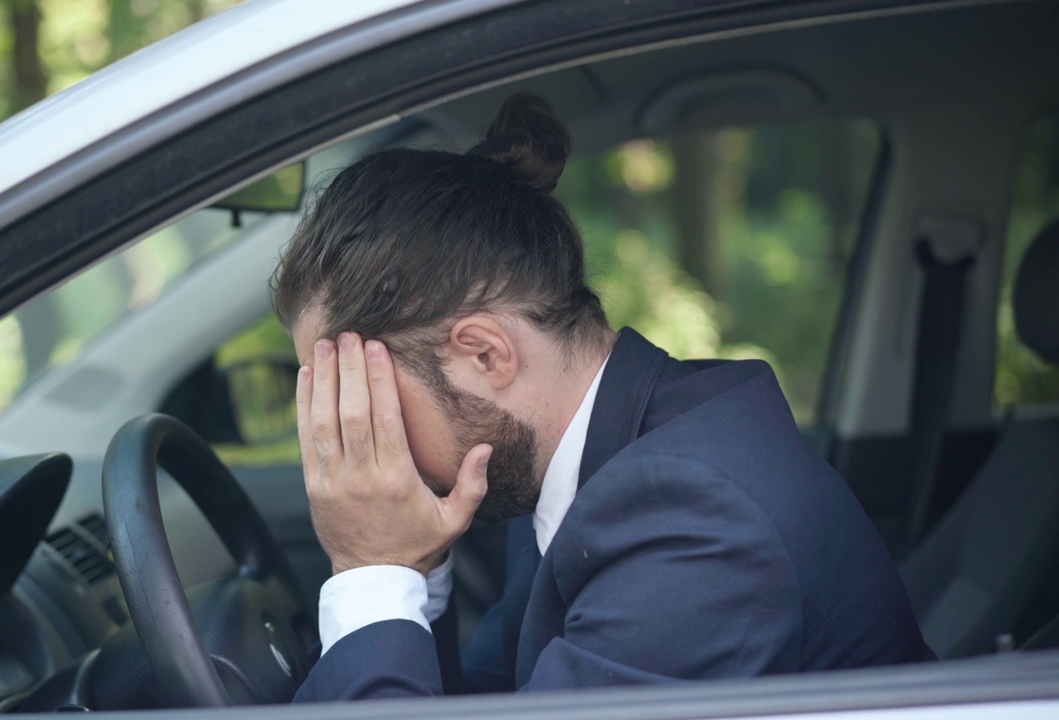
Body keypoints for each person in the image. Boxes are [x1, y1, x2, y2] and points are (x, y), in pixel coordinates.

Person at [271, 92, 933, 701]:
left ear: (485, 354)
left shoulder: (695, 526)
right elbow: (486, 702)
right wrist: (410, 572)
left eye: (364, 403)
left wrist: (370, 571)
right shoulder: (593, 460)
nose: (360, 452)